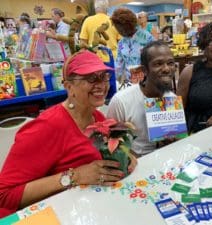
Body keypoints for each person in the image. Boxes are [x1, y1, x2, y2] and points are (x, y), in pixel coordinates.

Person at [0, 50, 137, 218]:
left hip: (87, 211)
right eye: (91, 78)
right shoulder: (47, 127)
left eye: (104, 76)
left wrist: (126, 155)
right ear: (69, 87)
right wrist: (75, 176)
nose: (102, 85)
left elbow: (96, 159)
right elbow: (4, 196)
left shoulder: (97, 117)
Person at [107, 41, 176, 157]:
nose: (166, 69)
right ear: (144, 70)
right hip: (133, 165)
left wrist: (171, 140)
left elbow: (175, 142)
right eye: (158, 64)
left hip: (166, 162)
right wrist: (131, 157)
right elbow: (110, 140)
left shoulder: (171, 99)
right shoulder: (121, 100)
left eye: (170, 63)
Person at [111, 8, 154, 82]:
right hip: (130, 83)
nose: (119, 31)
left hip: (148, 83)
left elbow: (155, 61)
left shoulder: (147, 38)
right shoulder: (121, 43)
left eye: (121, 29)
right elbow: (118, 65)